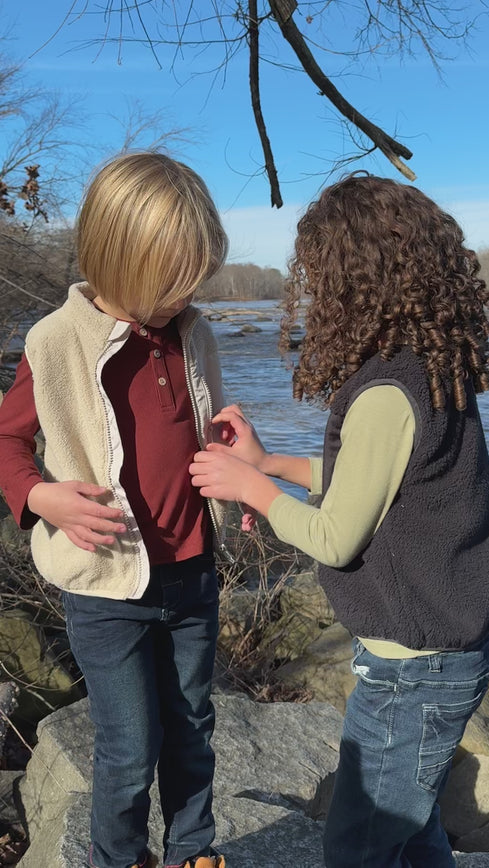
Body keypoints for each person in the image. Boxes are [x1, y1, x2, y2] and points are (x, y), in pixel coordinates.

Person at [189, 174, 489, 868]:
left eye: (318, 276)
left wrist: (252, 490)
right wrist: (273, 465)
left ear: (353, 281)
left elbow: (338, 536)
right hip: (447, 657)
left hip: (413, 676)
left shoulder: (388, 390)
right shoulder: (430, 367)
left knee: (359, 846)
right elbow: (388, 486)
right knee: (414, 832)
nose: (312, 292)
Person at [0, 152, 231, 868]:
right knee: (130, 747)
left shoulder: (193, 333)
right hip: (105, 590)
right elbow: (7, 438)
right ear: (117, 260)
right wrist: (40, 496)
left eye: (195, 279)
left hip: (193, 574)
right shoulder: (55, 341)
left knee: (193, 729)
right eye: (173, 283)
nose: (185, 296)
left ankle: (193, 851)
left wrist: (238, 467)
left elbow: (206, 423)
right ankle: (119, 858)